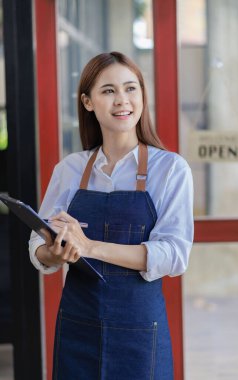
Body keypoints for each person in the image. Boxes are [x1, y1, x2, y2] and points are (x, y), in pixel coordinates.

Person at [29, 51, 194, 380]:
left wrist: (89, 247)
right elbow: (39, 242)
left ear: (142, 96)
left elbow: (175, 255)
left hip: (140, 330)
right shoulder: (70, 169)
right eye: (108, 91)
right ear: (88, 102)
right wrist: (54, 250)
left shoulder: (171, 169)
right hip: (78, 324)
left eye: (131, 89)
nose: (122, 100)